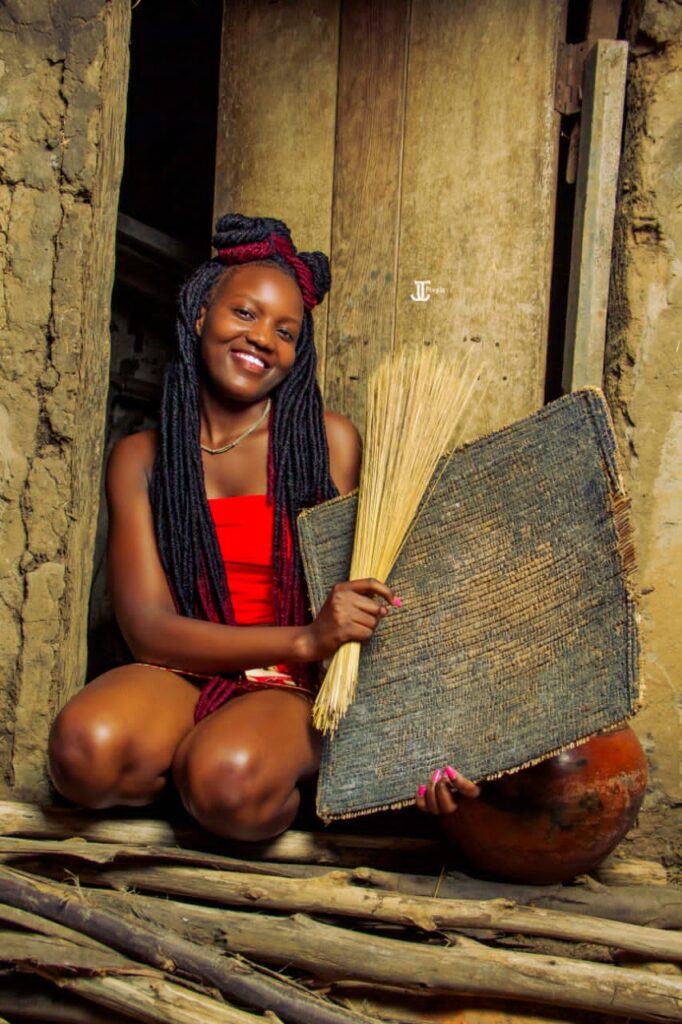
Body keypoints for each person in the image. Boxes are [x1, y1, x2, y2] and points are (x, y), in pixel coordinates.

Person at [48, 213, 479, 841]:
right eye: (244, 314)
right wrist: (302, 637)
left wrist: (421, 738)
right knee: (83, 753)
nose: (263, 339)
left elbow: (386, 604)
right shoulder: (142, 458)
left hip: (294, 687)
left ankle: (250, 781)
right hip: (187, 669)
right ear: (200, 315)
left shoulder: (328, 443)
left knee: (227, 779)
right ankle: (204, 779)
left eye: (286, 330)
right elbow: (146, 630)